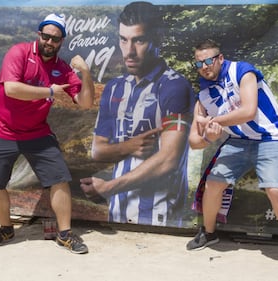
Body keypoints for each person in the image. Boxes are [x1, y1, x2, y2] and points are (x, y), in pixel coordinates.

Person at [0, 13, 95, 254]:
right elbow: (11, 89)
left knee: (59, 179)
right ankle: (6, 228)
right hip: (1, 129)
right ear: (38, 34)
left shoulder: (62, 69)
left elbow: (84, 103)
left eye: (56, 39)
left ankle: (64, 235)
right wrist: (49, 91)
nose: (49, 42)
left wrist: (85, 73)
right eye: (46, 36)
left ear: (61, 41)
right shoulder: (19, 53)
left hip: (36, 133)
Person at [185, 39, 278, 268]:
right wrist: (210, 135)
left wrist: (213, 121)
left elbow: (248, 111)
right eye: (199, 63)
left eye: (209, 60)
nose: (205, 66)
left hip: (271, 137)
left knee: (275, 190)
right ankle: (209, 233)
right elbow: (194, 142)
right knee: (213, 183)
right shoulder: (204, 94)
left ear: (220, 58)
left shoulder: (243, 71)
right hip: (238, 141)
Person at [80, 2, 194, 227]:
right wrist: (129, 147)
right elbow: (98, 150)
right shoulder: (114, 88)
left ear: (158, 38)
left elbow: (169, 160)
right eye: (123, 40)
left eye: (139, 40)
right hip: (117, 211)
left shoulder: (175, 87)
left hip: (160, 215)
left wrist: (107, 187)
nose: (129, 51)